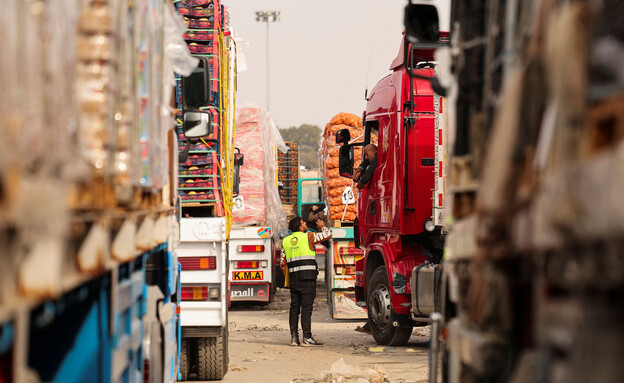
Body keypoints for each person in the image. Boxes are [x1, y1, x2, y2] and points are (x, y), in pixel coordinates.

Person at [281, 216, 332, 346]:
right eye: (304, 223)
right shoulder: (308, 237)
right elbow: (327, 235)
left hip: (294, 279)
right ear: (300, 226)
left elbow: (283, 263)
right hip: (308, 278)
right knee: (306, 309)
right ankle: (307, 338)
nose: (305, 224)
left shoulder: (285, 241)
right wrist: (322, 226)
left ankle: (294, 338)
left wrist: (290, 278)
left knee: (294, 308)